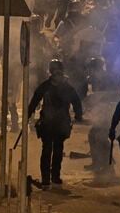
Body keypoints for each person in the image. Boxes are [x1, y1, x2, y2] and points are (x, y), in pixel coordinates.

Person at [28, 59, 83, 188]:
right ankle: (46, 178)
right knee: (47, 150)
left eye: (59, 73)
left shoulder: (67, 87)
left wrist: (78, 114)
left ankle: (55, 176)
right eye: (55, 72)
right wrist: (28, 113)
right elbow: (35, 99)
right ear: (52, 72)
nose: (57, 76)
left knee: (58, 150)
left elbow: (76, 101)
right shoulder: (46, 86)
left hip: (61, 123)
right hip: (47, 123)